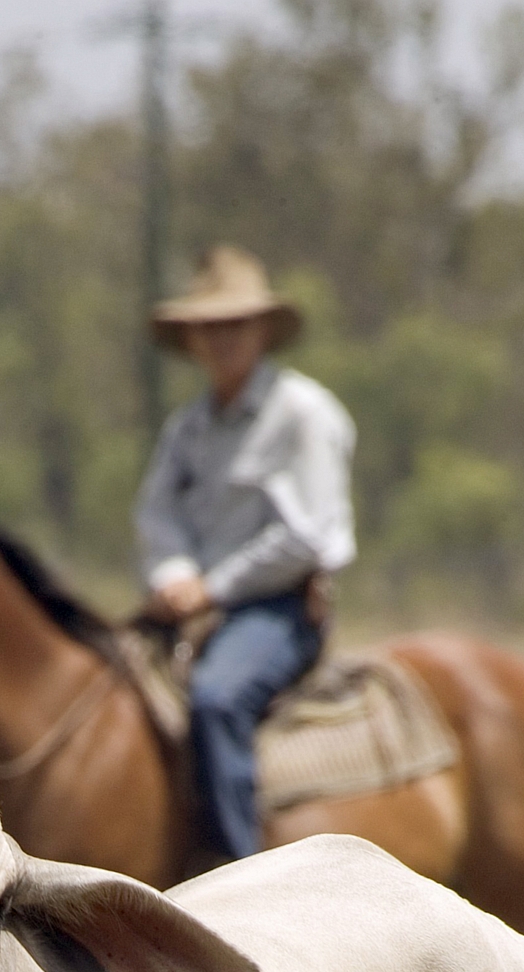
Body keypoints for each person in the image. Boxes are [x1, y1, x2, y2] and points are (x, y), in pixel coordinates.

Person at [134, 246, 357, 862]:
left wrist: (212, 588)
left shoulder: (303, 414)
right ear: (193, 340)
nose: (222, 338)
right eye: (210, 327)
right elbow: (156, 513)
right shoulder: (188, 427)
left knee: (216, 698)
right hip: (191, 605)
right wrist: (176, 576)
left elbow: (307, 535)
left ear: (261, 330)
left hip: (278, 608)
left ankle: (243, 871)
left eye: (235, 324)